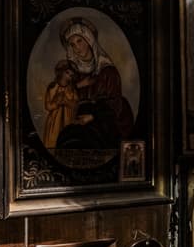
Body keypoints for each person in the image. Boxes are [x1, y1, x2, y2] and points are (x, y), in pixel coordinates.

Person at [49, 16, 133, 155]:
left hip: (104, 122)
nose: (77, 47)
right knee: (66, 139)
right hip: (78, 121)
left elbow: (115, 105)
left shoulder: (107, 71)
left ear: (89, 40)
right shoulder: (73, 74)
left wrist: (93, 117)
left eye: (79, 41)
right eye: (72, 44)